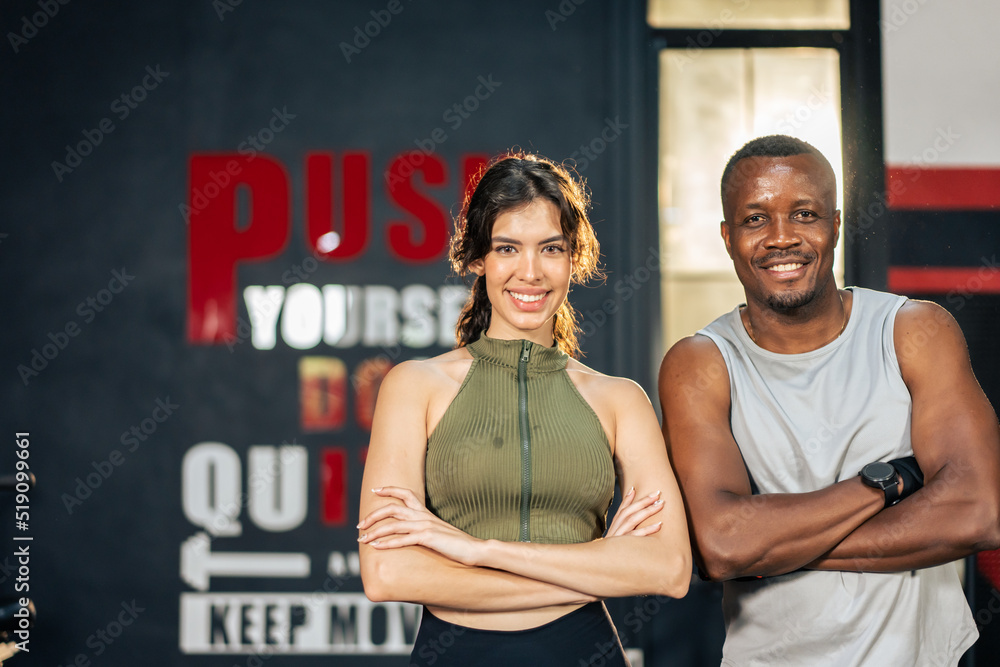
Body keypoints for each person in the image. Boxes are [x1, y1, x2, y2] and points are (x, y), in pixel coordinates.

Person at [659, 134, 1000, 665]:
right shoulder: (701, 364)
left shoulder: (913, 331)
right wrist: (889, 483)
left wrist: (775, 549)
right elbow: (723, 545)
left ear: (836, 224)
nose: (781, 238)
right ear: (727, 238)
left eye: (804, 214)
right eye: (755, 220)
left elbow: (978, 513)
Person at [358, 152, 691, 666]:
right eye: (507, 248)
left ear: (573, 257)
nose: (530, 272)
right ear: (477, 259)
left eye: (551, 248)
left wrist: (477, 550)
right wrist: (593, 570)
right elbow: (388, 574)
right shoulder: (414, 386)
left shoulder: (620, 400)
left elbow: (668, 568)